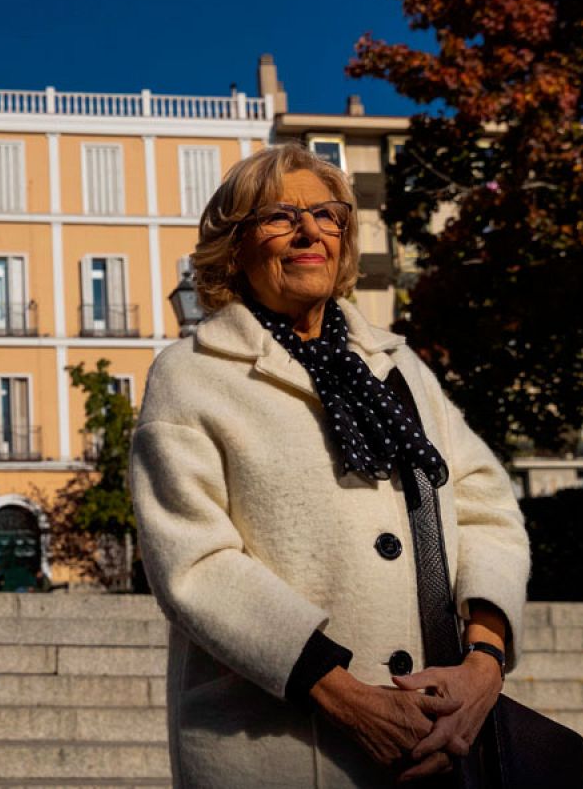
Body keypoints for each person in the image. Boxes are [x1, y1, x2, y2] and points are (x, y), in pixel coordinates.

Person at [131, 144, 530, 788]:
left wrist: (484, 663)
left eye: (327, 215)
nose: (311, 232)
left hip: (441, 742)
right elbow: (194, 560)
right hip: (281, 749)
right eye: (280, 217)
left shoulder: (400, 368)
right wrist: (348, 698)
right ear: (234, 246)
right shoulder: (192, 376)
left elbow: (487, 508)